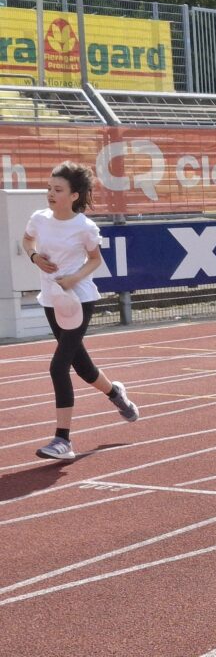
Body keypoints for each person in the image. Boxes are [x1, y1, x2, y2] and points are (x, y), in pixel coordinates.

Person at [22, 161, 139, 461]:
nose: (50, 193)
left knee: (58, 366)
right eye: (49, 188)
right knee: (83, 367)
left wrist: (74, 279)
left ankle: (63, 440)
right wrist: (34, 256)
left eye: (58, 189)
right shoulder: (39, 219)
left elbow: (95, 259)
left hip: (79, 299)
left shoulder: (84, 227)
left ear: (74, 195)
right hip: (52, 299)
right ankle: (115, 393)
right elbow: (27, 239)